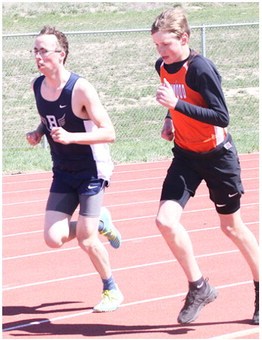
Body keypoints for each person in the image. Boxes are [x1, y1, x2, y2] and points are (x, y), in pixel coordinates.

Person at [151, 7, 259, 324]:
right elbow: (176, 100)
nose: (161, 51)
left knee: (231, 228)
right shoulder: (163, 66)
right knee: (165, 221)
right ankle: (199, 286)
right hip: (185, 155)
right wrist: (170, 118)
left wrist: (176, 106)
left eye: (166, 44)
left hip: (217, 157)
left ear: (184, 38)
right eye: (157, 45)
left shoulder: (201, 69)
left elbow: (221, 117)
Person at [26, 25, 123, 312]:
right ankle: (101, 222)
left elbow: (109, 132)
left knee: (86, 237)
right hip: (63, 170)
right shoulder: (37, 85)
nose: (38, 56)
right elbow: (51, 118)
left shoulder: (80, 88)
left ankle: (111, 290)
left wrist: (72, 138)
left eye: (44, 51)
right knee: (53, 238)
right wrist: (38, 132)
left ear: (62, 55)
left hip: (92, 170)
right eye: (35, 51)